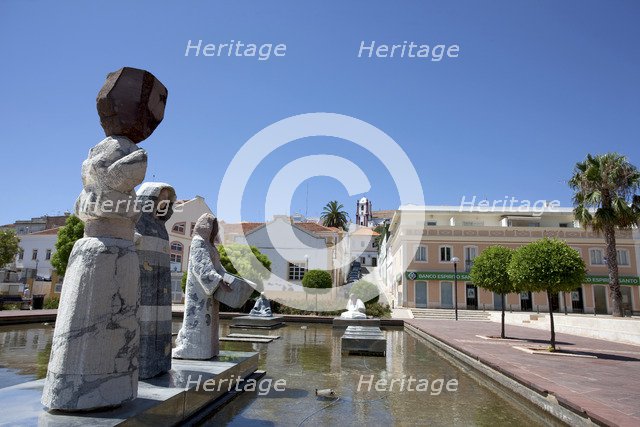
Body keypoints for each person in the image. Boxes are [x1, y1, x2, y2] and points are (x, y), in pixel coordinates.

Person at [173, 213, 235, 360]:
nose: (213, 229)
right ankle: (192, 349)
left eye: (215, 226)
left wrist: (230, 279)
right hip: (199, 291)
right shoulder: (198, 242)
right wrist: (219, 281)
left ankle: (209, 350)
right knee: (198, 317)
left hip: (209, 291)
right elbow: (202, 267)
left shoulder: (210, 246)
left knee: (209, 320)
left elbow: (218, 267)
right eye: (211, 226)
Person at [134, 182, 176, 379]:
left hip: (162, 285)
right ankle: (142, 365)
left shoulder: (161, 226)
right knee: (144, 320)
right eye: (161, 198)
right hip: (144, 282)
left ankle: (160, 363)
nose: (164, 203)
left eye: (167, 200)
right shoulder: (138, 221)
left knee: (161, 323)